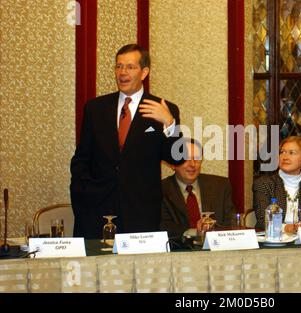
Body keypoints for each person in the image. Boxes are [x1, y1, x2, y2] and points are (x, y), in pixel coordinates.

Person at [70, 44, 184, 239]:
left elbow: (177, 158)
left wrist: (169, 123)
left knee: (136, 270)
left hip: (141, 215)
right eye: (119, 66)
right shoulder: (95, 108)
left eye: (130, 67)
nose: (122, 73)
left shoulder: (164, 108)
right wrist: (82, 193)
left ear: (144, 72)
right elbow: (82, 158)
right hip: (96, 211)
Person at [160, 138, 235, 239]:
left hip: (217, 249)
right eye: (185, 159)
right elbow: (163, 226)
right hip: (178, 251)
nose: (192, 164)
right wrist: (194, 232)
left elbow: (230, 222)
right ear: (173, 164)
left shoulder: (220, 186)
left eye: (197, 158)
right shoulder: (161, 190)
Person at [253, 136, 301, 232]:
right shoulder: (264, 184)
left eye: (291, 153)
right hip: (274, 240)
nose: (285, 157)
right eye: (282, 152)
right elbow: (263, 220)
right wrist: (287, 228)